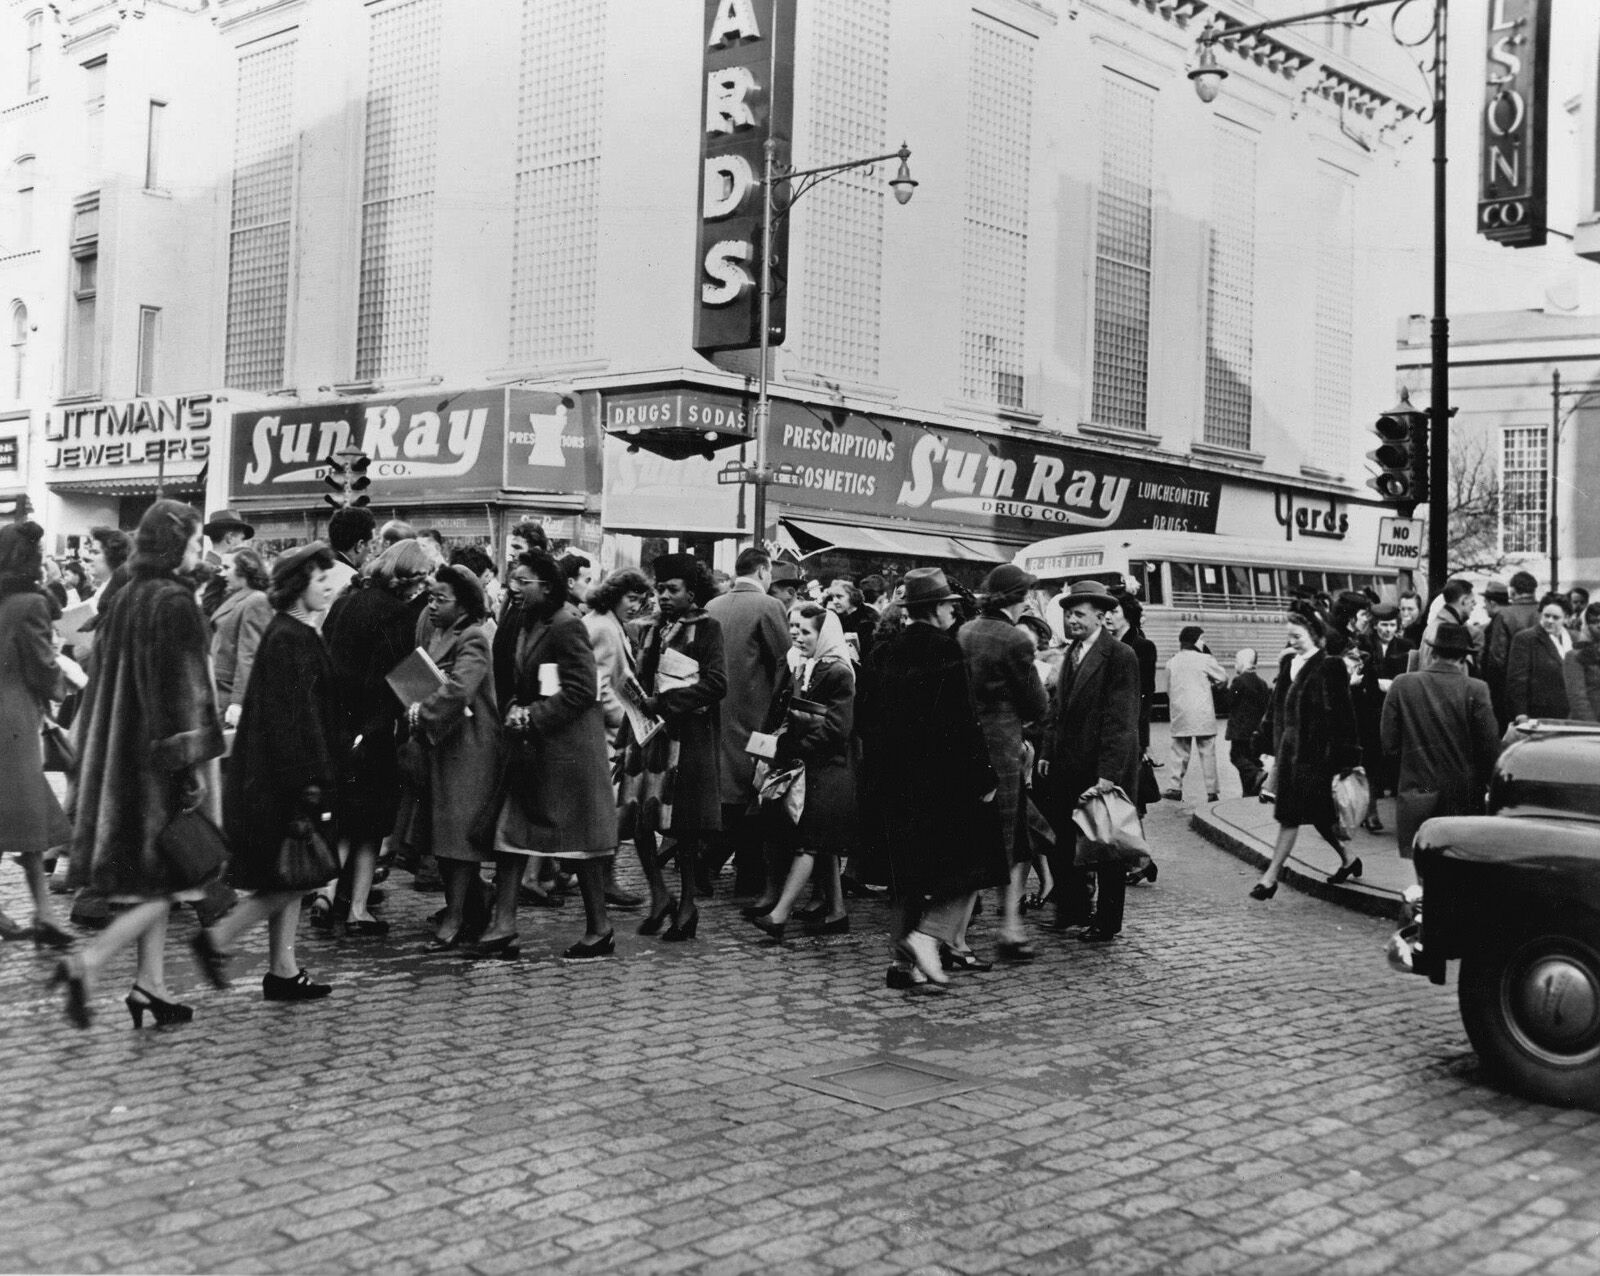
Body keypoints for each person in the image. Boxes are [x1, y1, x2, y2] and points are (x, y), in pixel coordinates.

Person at [55, 502, 226, 1027]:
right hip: (158, 766)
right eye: (196, 543)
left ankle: (149, 985)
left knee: (150, 881)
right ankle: (88, 962)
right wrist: (194, 768)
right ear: (175, 547)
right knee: (174, 883)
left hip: (118, 764)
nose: (200, 553)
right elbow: (184, 696)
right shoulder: (175, 603)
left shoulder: (126, 595)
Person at [199, 542, 344, 1004]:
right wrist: (311, 781)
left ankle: (284, 971)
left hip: (278, 775)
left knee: (289, 874)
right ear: (299, 585)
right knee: (294, 878)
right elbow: (295, 720)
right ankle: (219, 939)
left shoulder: (293, 632)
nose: (327, 588)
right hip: (288, 779)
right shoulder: (292, 638)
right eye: (321, 581)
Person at [860, 568, 1005, 987]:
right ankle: (930, 936)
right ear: (937, 609)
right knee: (975, 859)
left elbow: (865, 718)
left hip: (891, 779)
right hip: (941, 780)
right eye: (948, 605)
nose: (951, 612)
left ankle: (900, 965)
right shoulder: (945, 649)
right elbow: (962, 722)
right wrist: (984, 776)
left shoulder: (883, 650)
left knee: (906, 875)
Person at [483, 550, 618, 958]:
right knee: (511, 835)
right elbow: (517, 681)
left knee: (583, 846)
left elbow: (581, 690)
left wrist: (533, 716)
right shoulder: (526, 622)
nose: (514, 588)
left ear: (547, 584)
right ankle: (503, 924)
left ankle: (600, 927)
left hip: (568, 754)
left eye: (524, 581)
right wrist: (512, 710)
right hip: (534, 751)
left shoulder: (566, 625)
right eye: (513, 580)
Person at [320, 539, 434, 932]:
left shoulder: (346, 601)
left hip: (338, 723)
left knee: (342, 819)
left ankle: (326, 892)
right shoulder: (398, 616)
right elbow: (395, 678)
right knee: (369, 826)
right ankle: (358, 911)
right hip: (373, 728)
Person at [617, 553, 728, 942]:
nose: (663, 596)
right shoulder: (647, 629)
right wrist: (623, 739)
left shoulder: (708, 629)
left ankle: (686, 907)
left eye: (672, 590)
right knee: (640, 823)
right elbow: (636, 685)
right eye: (660, 589)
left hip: (688, 742)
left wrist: (667, 701)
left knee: (683, 829)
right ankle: (659, 895)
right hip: (646, 741)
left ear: (692, 594)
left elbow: (717, 684)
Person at [745, 605, 857, 940]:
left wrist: (787, 749)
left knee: (809, 843)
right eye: (794, 628)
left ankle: (779, 916)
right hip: (806, 766)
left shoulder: (838, 672)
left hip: (829, 768)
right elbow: (780, 712)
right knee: (820, 844)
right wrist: (766, 746)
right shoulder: (799, 666)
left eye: (806, 631)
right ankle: (837, 913)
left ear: (823, 635)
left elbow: (837, 730)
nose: (797, 635)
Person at [1039, 580, 1142, 942]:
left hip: (1099, 770)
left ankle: (1107, 920)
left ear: (1101, 616)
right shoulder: (1071, 653)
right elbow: (1057, 710)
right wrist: (1048, 753)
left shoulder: (1119, 656)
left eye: (1079, 614)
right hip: (1067, 765)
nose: (1072, 620)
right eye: (1068, 614)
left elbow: (1121, 719)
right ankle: (1073, 909)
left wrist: (1108, 775)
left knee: (1106, 845)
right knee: (1065, 840)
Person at [956, 563, 1048, 963]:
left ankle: (958, 930)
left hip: (966, 746)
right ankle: (1009, 929)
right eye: (1026, 594)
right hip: (1003, 749)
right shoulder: (1015, 640)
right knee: (1008, 840)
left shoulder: (965, 632)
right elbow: (1037, 703)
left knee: (973, 834)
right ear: (1015, 598)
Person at [403, 565, 500, 947]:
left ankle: (457, 918)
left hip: (469, 749)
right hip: (443, 744)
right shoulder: (437, 631)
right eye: (430, 597)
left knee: (457, 841)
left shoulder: (472, 637)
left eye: (440, 598)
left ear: (463, 603)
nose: (432, 605)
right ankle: (470, 905)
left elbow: (460, 689)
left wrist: (419, 711)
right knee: (443, 838)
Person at [1248, 604, 1362, 899]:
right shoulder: (1290, 665)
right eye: (1290, 637)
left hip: (1317, 759)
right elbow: (1276, 707)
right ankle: (1349, 859)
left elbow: (1344, 716)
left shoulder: (1331, 666)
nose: (1293, 642)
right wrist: (1263, 739)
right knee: (1320, 818)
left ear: (1314, 634)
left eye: (1297, 636)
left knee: (1291, 817)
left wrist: (1347, 757)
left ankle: (1270, 878)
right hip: (1290, 756)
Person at [0, 522, 73, 947]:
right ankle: (44, 914)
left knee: (25, 815)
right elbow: (44, 669)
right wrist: (63, 678)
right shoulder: (31, 604)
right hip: (15, 718)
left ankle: (45, 913)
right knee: (24, 815)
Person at [705, 547, 791, 894]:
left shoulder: (714, 606)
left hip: (719, 711)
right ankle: (746, 873)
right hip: (757, 715)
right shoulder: (770, 606)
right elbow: (786, 661)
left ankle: (714, 862)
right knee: (755, 793)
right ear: (762, 571)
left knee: (726, 791)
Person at [1380, 621, 1499, 860]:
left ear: (1433, 652)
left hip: (1417, 790)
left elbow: (1389, 744)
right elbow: (1489, 746)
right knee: (1458, 869)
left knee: (1422, 868)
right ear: (1465, 658)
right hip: (1463, 795)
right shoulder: (1476, 689)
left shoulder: (1402, 684)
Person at [582, 567, 651, 909]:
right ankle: (604, 884)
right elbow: (598, 686)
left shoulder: (606, 622)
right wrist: (628, 721)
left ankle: (603, 881)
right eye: (631, 598)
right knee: (607, 812)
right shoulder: (604, 628)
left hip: (606, 732)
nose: (636, 606)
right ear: (614, 595)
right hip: (607, 734)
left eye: (641, 600)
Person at [210, 547, 273, 730]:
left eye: (227, 567)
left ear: (244, 570)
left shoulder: (256, 600)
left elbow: (249, 656)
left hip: (230, 693)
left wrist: (238, 702)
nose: (223, 574)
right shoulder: (238, 596)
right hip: (220, 689)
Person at [1163, 625, 1225, 803]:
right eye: (1201, 639)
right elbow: (1222, 678)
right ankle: (1212, 792)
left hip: (1181, 714)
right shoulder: (1205, 659)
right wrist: (1213, 687)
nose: (1203, 642)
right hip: (1202, 714)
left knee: (1179, 752)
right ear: (1195, 641)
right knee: (1207, 753)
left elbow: (1168, 689)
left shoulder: (1172, 661)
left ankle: (1175, 787)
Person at [1481, 571, 1539, 729]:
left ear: (1512, 591)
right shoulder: (1546, 613)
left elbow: (1496, 660)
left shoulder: (1505, 615)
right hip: (1543, 690)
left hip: (1512, 692)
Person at [1505, 593, 1573, 721]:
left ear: (1566, 618)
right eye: (1546, 615)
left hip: (1569, 711)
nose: (1549, 621)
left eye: (1556, 617)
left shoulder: (1574, 638)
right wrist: (1520, 712)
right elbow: (1517, 679)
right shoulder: (1526, 638)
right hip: (1539, 712)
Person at [1225, 648, 1271, 797]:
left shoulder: (1239, 681)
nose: (1235, 665)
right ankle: (1250, 792)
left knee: (1236, 756)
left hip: (1240, 731)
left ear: (1245, 663)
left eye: (1236, 661)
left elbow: (1229, 702)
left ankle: (1257, 774)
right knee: (1250, 758)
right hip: (1255, 731)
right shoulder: (1262, 683)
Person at [324, 506, 377, 597]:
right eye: (372, 543)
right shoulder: (353, 581)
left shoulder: (319, 571)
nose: (371, 551)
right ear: (360, 545)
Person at [824, 576, 876, 664]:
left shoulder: (867, 620)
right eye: (833, 597)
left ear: (853, 596)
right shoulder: (837, 617)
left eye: (839, 597)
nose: (835, 601)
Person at [1565, 603, 1600, 720]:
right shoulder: (1574, 656)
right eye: (1594, 622)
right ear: (1586, 625)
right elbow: (1577, 699)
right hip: (1588, 725)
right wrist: (1593, 728)